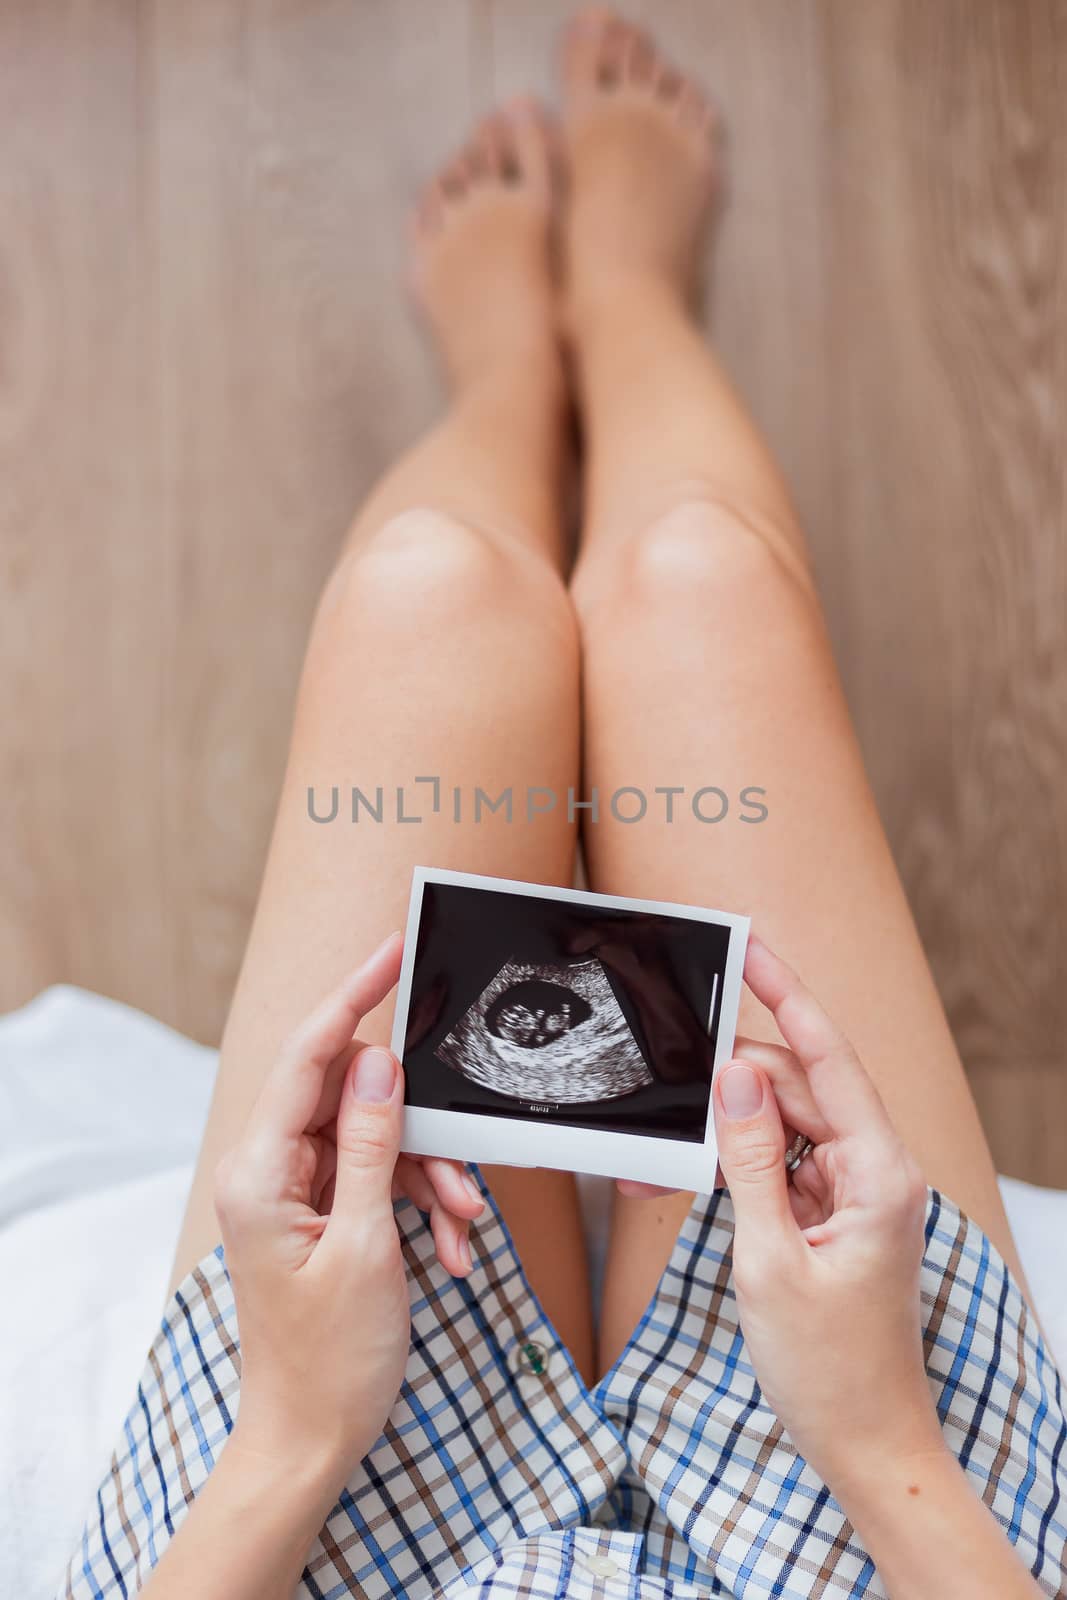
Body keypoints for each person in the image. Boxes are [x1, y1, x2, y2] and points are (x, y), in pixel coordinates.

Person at [62, 12, 1065, 1598]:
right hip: (887, 1534)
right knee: (697, 589)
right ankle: (621, 306)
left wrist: (290, 1440)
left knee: (430, 604)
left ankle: (517, 369)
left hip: (301, 1531)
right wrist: (883, 1443)